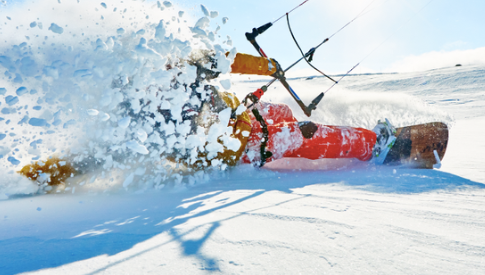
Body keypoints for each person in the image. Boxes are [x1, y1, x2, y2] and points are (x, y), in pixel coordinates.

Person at [20, 52, 380, 185]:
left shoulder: (179, 71)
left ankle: (341, 129)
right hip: (238, 147)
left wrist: (266, 66)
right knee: (300, 132)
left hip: (240, 114)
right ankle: (377, 146)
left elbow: (221, 59)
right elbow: (87, 159)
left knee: (280, 111)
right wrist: (38, 175)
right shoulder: (137, 129)